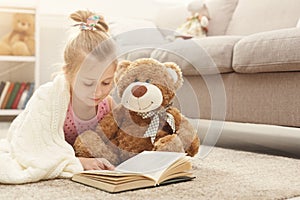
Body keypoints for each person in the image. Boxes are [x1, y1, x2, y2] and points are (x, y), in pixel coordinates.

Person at [0, 10, 116, 184]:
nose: (98, 92)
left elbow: (119, 141)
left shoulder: (108, 106)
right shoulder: (49, 98)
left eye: (106, 83)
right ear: (67, 73)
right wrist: (78, 162)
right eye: (87, 83)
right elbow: (33, 145)